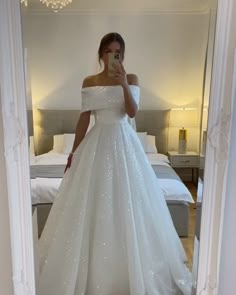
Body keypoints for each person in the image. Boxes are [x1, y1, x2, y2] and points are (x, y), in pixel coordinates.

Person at [38, 32, 192, 295]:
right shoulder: (89, 81)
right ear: (101, 54)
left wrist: (122, 84)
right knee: (93, 201)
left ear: (123, 55)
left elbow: (131, 113)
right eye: (108, 51)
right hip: (96, 145)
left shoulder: (131, 79)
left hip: (125, 145)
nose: (113, 56)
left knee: (130, 202)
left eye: (117, 52)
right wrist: (72, 154)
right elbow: (84, 120)